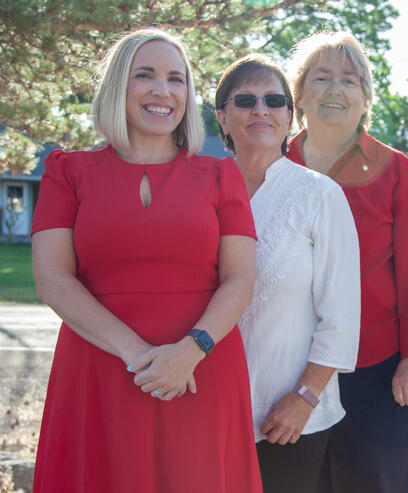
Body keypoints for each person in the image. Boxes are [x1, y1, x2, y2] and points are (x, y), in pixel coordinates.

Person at [30, 29, 262, 492]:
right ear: (118, 85)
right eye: (145, 75)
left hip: (200, 370)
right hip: (98, 369)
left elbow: (240, 278)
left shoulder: (221, 174)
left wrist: (189, 352)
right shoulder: (67, 171)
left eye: (176, 79)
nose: (163, 91)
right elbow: (52, 278)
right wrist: (139, 357)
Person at [285, 31, 408, 492]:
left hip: (373, 364)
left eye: (349, 80)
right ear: (299, 94)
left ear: (365, 99)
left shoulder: (395, 171)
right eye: (321, 78)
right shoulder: (272, 163)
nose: (335, 90)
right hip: (286, 363)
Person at [214, 53, 360, 493]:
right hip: (206, 407)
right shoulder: (201, 189)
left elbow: (341, 314)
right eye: (245, 100)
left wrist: (305, 397)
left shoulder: (320, 195)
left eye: (274, 100)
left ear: (289, 116)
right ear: (222, 118)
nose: (261, 109)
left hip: (290, 416)